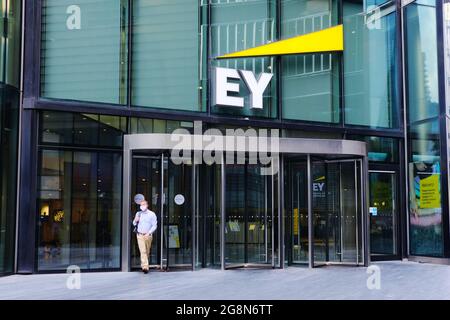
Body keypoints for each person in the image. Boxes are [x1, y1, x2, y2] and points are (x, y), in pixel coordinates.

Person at [133, 200, 157, 274]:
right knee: (142, 251)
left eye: (143, 204)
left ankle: (146, 264)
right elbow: (134, 223)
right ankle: (145, 267)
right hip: (140, 235)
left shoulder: (152, 214)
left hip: (148, 235)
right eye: (141, 205)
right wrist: (135, 220)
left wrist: (149, 232)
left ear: (147, 205)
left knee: (147, 251)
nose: (142, 206)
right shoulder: (138, 213)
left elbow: (154, 225)